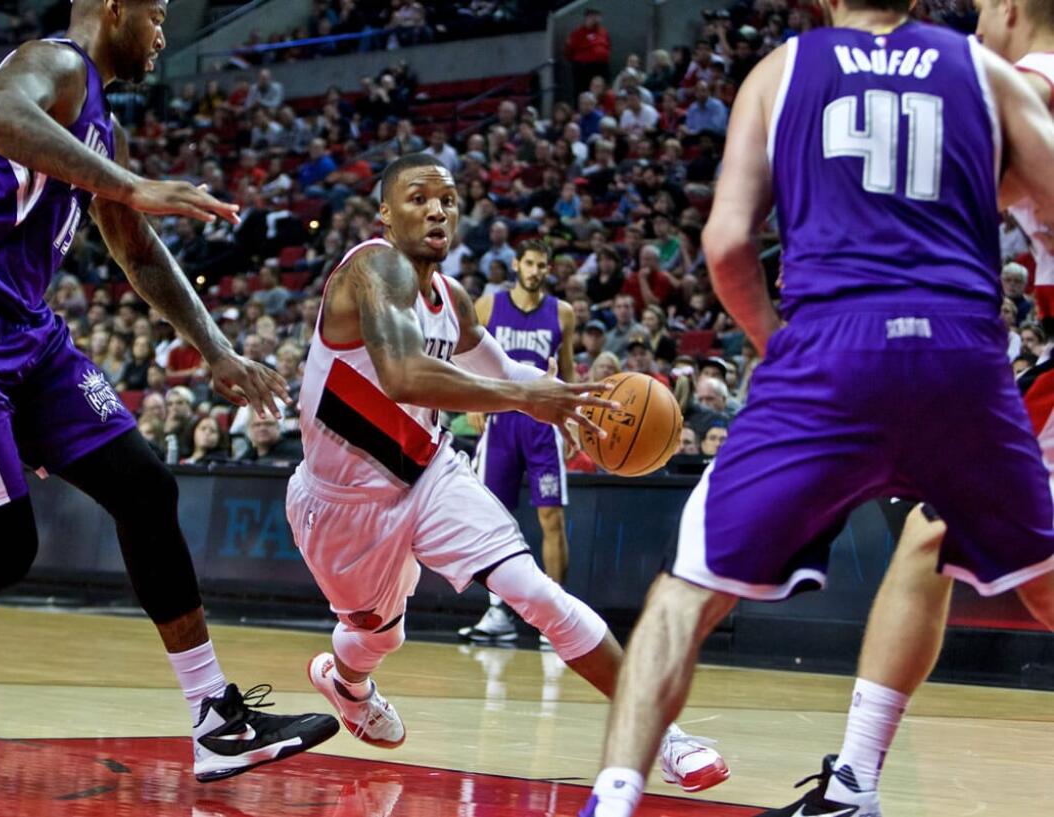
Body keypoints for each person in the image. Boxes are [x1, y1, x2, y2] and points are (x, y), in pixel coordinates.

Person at [0, 0, 338, 785]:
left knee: (145, 485)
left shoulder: (99, 123)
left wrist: (218, 350)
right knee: (1, 547)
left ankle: (215, 719)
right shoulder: (57, 63)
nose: (164, 31)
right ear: (113, 6)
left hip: (25, 328)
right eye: (158, 12)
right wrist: (133, 185)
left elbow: (136, 249)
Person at [582, 1, 1054, 815]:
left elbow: (728, 246)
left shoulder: (783, 69)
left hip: (830, 347)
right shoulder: (981, 72)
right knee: (1040, 581)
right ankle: (855, 784)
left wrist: (775, 345)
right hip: (959, 351)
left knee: (685, 590)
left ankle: (614, 799)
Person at [287, 153, 727, 791]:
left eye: (448, 199)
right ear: (385, 212)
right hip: (341, 504)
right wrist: (526, 400)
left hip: (430, 471)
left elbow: (504, 373)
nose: (437, 210)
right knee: (375, 640)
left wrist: (571, 398)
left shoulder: (454, 300)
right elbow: (405, 374)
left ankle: (663, 736)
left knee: (537, 592)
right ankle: (345, 681)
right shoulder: (371, 267)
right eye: (418, 198)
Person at [751, 3, 1054, 815]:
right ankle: (855, 782)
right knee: (935, 536)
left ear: (1014, 10)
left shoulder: (1024, 87)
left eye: (985, 6)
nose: (974, 21)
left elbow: (913, 201)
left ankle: (855, 783)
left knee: (967, 547)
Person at [456, 241, 578, 646]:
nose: (536, 270)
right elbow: (462, 353)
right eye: (529, 263)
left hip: (542, 426)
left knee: (552, 519)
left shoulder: (563, 312)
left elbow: (570, 372)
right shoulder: (490, 304)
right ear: (516, 265)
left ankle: (558, 614)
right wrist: (471, 397)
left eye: (543, 265)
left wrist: (572, 420)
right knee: (494, 521)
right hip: (501, 420)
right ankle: (497, 614)